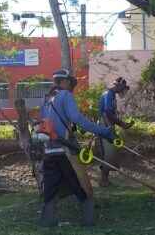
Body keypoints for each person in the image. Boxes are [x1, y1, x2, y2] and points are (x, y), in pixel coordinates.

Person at [37, 69, 116, 227]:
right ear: (65, 82)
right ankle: (88, 220)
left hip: (49, 152)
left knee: (50, 189)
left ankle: (47, 220)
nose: (71, 85)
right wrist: (103, 131)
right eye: (70, 82)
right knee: (80, 185)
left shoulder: (47, 99)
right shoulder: (65, 95)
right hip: (65, 151)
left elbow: (42, 124)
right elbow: (77, 119)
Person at [96, 77, 134, 187]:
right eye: (123, 88)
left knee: (111, 152)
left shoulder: (111, 95)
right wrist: (122, 124)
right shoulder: (108, 94)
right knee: (108, 153)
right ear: (118, 86)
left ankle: (105, 180)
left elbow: (111, 114)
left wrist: (120, 124)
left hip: (108, 125)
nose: (123, 90)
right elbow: (107, 112)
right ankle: (103, 181)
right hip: (105, 125)